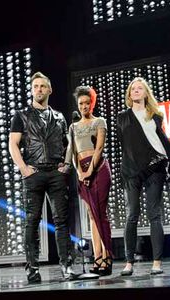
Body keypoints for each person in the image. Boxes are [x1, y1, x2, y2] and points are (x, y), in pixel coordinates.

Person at [9, 71, 74, 283]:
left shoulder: (59, 117)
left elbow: (68, 143)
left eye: (42, 86)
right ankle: (32, 269)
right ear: (32, 89)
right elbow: (13, 144)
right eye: (35, 86)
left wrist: (66, 164)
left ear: (49, 90)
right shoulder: (21, 115)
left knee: (62, 221)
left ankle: (67, 266)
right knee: (32, 221)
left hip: (55, 173)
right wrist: (23, 168)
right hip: (34, 173)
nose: (39, 89)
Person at [117, 77, 170, 276]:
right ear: (129, 94)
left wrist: (165, 161)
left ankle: (156, 262)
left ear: (146, 93)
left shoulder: (156, 115)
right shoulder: (122, 117)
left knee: (154, 215)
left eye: (140, 88)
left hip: (155, 167)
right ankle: (129, 262)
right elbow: (125, 145)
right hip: (131, 172)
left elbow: (160, 141)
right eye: (133, 89)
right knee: (132, 215)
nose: (136, 91)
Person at [61, 86, 113, 276]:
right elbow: (73, 153)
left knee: (100, 213)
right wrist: (79, 173)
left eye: (87, 103)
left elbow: (99, 149)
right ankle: (97, 257)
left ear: (93, 103)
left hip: (98, 169)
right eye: (81, 103)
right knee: (92, 215)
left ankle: (107, 256)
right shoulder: (73, 127)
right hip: (82, 172)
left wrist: (89, 172)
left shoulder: (100, 122)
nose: (84, 106)